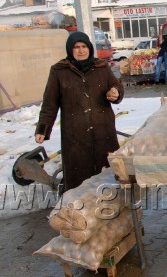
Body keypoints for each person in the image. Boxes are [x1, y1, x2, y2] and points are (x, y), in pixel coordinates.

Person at [35, 31, 124, 192]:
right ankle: (81, 212)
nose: (81, 50)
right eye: (76, 47)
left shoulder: (101, 68)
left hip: (103, 131)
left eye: (84, 46)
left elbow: (116, 86)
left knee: (109, 176)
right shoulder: (59, 71)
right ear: (70, 49)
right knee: (80, 181)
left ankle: (112, 211)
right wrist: (43, 128)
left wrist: (115, 92)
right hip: (75, 136)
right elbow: (50, 103)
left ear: (89, 48)